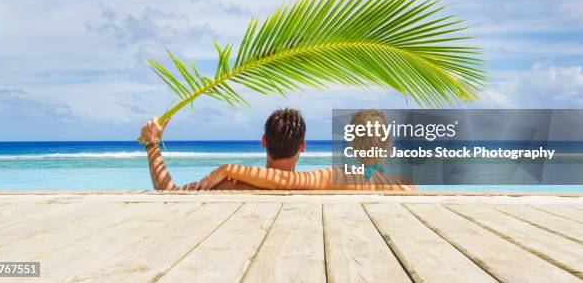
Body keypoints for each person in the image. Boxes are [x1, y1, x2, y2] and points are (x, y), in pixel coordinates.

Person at [141, 108, 415, 191]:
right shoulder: (406, 185)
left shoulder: (229, 185)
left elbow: (169, 192)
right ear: (303, 147)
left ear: (263, 141)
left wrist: (153, 145)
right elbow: (291, 182)